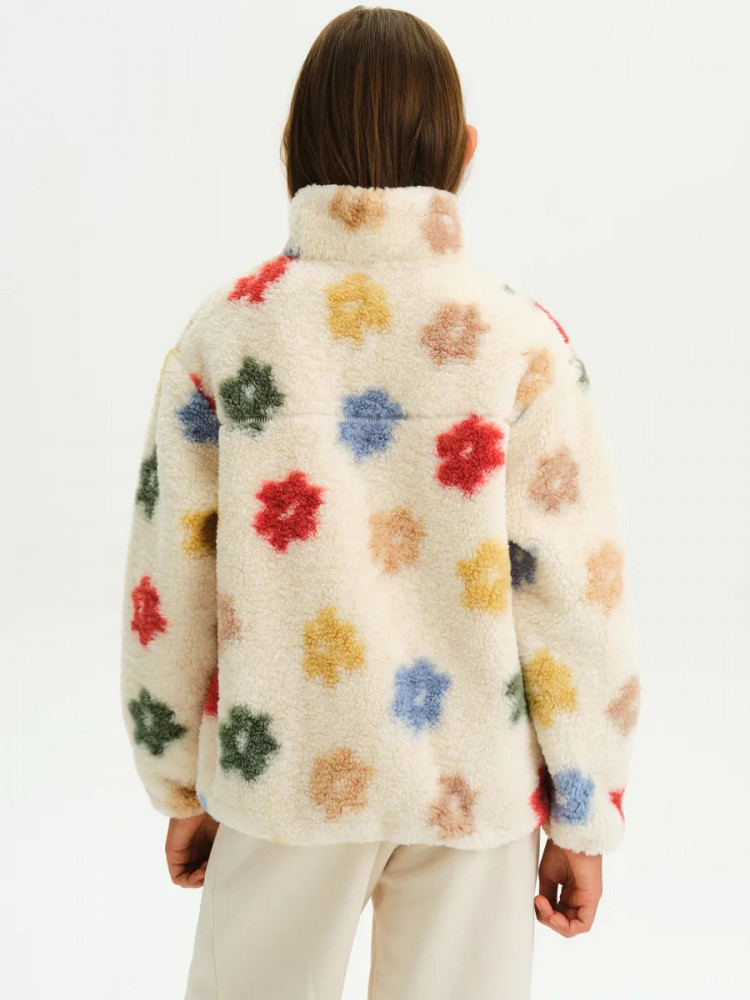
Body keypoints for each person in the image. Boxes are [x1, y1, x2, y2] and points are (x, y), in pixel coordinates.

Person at [119, 7, 640, 998]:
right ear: (465, 150)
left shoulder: (225, 338)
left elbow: (167, 585)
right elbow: (580, 597)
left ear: (289, 146)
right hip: (474, 782)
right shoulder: (525, 346)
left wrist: (180, 780)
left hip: (280, 774)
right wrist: (585, 810)